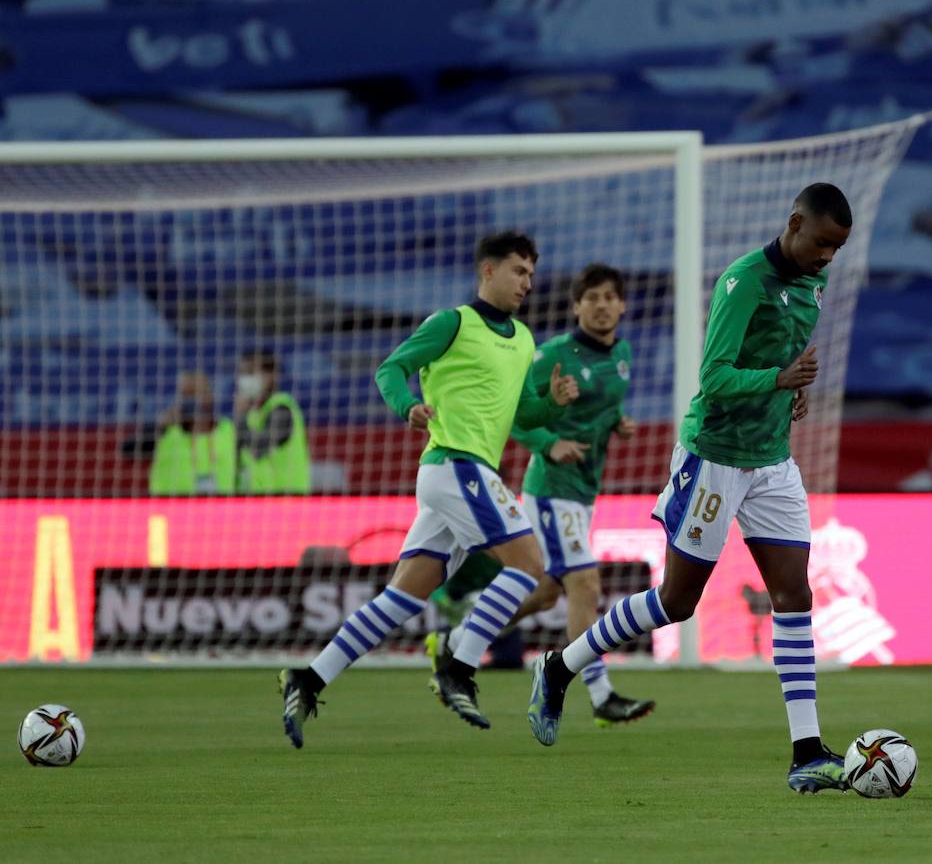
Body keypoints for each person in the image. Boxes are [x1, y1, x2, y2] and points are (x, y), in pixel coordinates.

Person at [526, 184, 853, 794]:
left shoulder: (812, 280)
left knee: (794, 595)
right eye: (822, 243)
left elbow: (779, 355)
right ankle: (560, 665)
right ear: (794, 224)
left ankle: (807, 751)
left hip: (772, 462)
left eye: (837, 248)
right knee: (677, 602)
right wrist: (778, 377)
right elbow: (714, 377)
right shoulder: (743, 283)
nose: (827, 257)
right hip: (714, 459)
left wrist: (790, 389)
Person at [277, 231, 578, 748]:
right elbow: (391, 368)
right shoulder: (452, 323)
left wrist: (550, 403)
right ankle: (457, 666)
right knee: (530, 566)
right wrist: (406, 406)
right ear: (487, 270)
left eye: (532, 273)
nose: (527, 282)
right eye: (518, 271)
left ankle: (309, 677)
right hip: (455, 465)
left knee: (401, 600)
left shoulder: (525, 340)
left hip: (464, 476)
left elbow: (520, 412)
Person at [428, 263, 654, 727]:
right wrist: (548, 443)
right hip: (551, 488)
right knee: (586, 585)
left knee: (546, 593)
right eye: (592, 297)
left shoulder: (623, 354)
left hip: (584, 488)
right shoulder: (553, 354)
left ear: (623, 304)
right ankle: (599, 695)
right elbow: (510, 414)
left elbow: (601, 406)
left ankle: (457, 636)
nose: (602, 305)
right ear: (576, 307)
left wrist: (616, 423)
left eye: (610, 296)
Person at [148, 370, 237, 495]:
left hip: (224, 509)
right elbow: (128, 449)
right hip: (173, 510)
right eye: (187, 396)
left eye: (198, 394)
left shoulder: (229, 431)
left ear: (211, 396)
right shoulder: (167, 434)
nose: (193, 402)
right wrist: (159, 427)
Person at [235, 349, 310, 494]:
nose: (244, 379)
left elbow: (258, 448)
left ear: (270, 376)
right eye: (242, 373)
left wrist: (241, 416)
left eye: (250, 372)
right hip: (258, 502)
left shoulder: (282, 408)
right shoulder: (253, 415)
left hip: (287, 502)